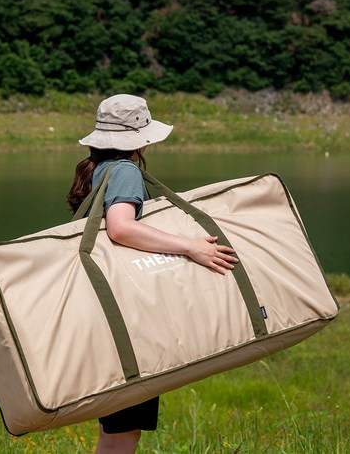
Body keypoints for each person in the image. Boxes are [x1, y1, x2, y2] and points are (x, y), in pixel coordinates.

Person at [67, 94, 239, 454]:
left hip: (105, 314)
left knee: (115, 427)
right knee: (124, 431)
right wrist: (191, 246)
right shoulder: (127, 171)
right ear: (141, 139)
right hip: (128, 319)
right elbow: (121, 229)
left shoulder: (96, 169)